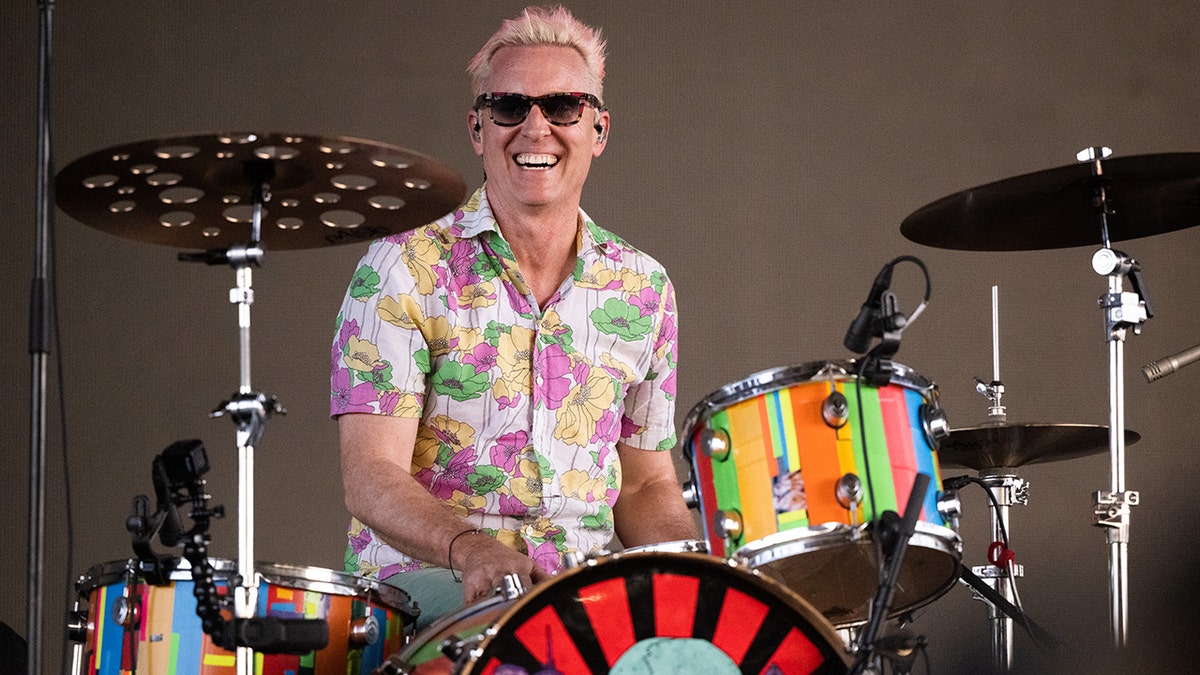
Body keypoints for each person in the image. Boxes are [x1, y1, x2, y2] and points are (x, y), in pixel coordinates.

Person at [331, 5, 697, 630]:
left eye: (562, 107)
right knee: (539, 633)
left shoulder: (643, 287)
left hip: (585, 592)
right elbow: (370, 475)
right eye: (509, 107)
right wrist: (471, 549)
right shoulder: (402, 270)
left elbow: (642, 487)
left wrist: (694, 577)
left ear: (598, 130)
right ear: (477, 129)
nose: (535, 128)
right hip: (429, 587)